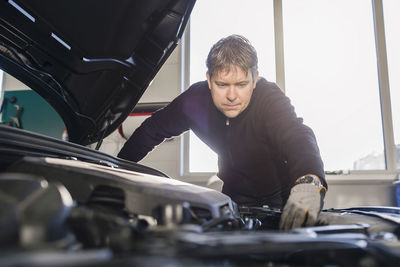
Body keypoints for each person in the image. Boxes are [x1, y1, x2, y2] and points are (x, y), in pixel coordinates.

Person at [118, 35, 327, 230]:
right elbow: (151, 131)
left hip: (281, 196)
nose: (232, 96)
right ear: (209, 80)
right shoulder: (194, 101)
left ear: (254, 80)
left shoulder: (268, 97)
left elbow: (297, 134)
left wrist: (309, 180)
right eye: (222, 84)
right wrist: (118, 168)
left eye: (242, 84)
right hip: (234, 198)